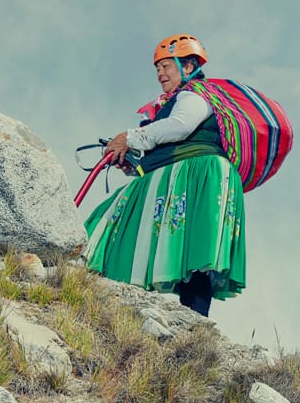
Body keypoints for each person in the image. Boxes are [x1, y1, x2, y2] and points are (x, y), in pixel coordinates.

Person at [85, 34, 246, 315]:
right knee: (191, 246)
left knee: (116, 216)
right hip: (192, 174)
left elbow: (181, 126)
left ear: (188, 66)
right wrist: (134, 162)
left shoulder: (194, 94)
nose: (160, 74)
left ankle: (92, 273)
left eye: (166, 66)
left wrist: (130, 137)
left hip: (198, 173)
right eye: (157, 68)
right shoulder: (182, 99)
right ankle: (193, 318)